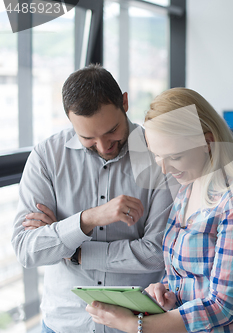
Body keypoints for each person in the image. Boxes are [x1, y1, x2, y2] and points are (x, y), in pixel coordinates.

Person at [86, 88, 233, 332]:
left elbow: (223, 305)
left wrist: (135, 325)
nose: (165, 169)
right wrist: (166, 290)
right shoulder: (187, 190)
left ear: (207, 142)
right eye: (157, 156)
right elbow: (186, 275)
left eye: (174, 157)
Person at [11, 65, 173, 333]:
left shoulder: (160, 155)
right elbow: (27, 250)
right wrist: (88, 219)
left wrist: (72, 249)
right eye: (88, 138)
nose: (103, 146)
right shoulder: (46, 157)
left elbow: (158, 254)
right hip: (63, 324)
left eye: (112, 131)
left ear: (125, 102)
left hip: (137, 324)